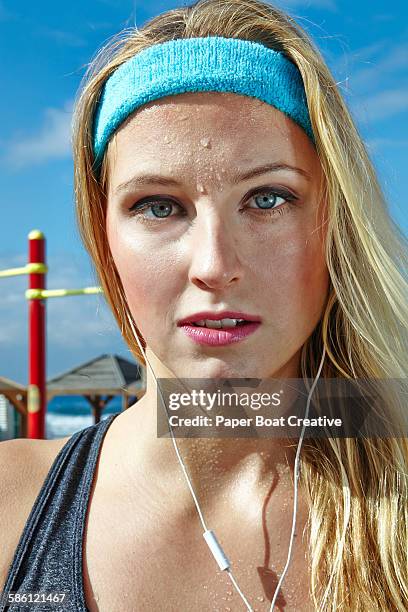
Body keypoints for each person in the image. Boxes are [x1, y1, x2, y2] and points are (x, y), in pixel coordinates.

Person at [1, 0, 407, 610]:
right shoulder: (11, 504)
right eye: (159, 206)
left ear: (335, 224)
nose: (215, 265)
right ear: (104, 239)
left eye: (268, 198)